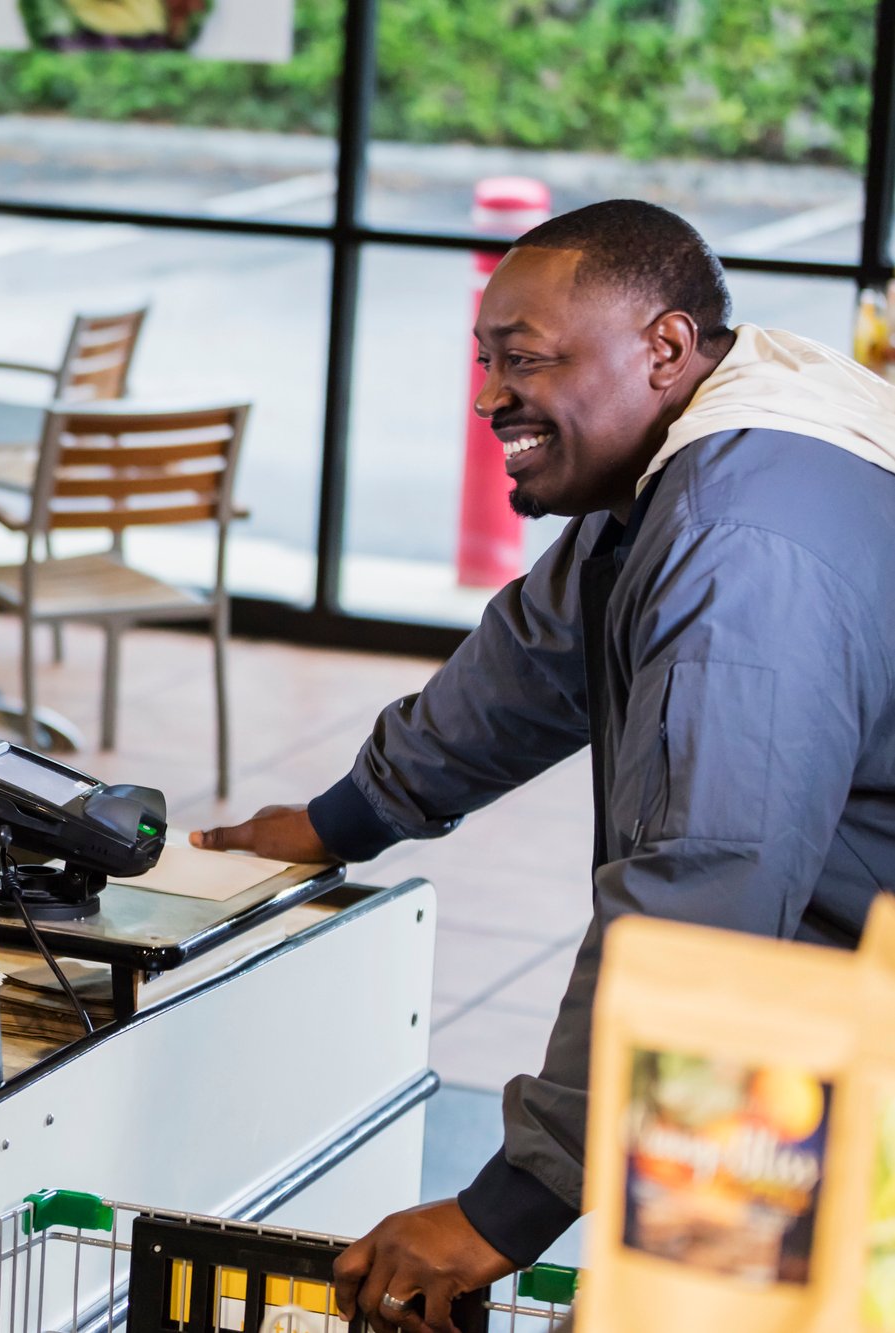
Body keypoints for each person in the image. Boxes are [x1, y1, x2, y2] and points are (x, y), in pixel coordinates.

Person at [191, 201, 895, 1332]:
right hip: (781, 1014)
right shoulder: (690, 465)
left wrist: (503, 1210)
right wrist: (337, 820)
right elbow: (529, 666)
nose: (486, 397)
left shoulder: (734, 544)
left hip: (825, 1040)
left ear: (663, 347)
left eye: (524, 360)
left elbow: (702, 900)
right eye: (484, 362)